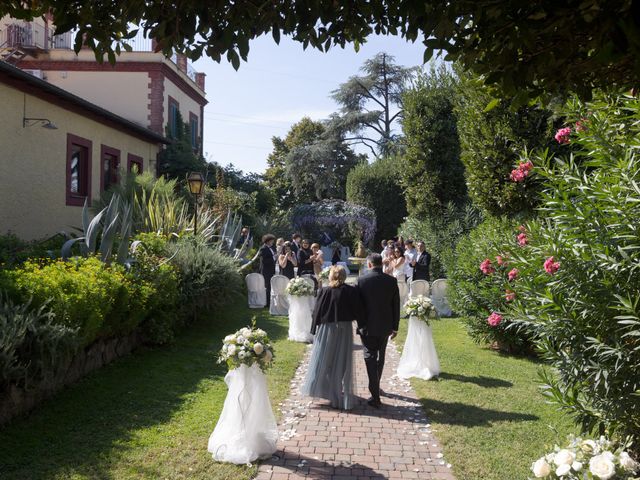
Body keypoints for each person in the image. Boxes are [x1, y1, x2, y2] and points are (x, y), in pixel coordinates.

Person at [302, 266, 362, 410]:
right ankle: (335, 390)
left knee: (323, 359)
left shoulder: (325, 291)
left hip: (326, 328)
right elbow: (358, 310)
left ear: (331, 276)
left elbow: (317, 311)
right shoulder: (351, 290)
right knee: (341, 361)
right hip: (344, 328)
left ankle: (322, 389)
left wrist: (313, 328)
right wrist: (360, 324)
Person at [357, 253, 400, 408]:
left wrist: (359, 324)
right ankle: (375, 387)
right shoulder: (391, 280)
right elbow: (396, 305)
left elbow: (358, 305)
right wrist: (395, 326)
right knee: (380, 356)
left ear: (369, 264)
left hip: (367, 326)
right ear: (381, 264)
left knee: (369, 357)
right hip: (385, 325)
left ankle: (374, 392)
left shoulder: (361, 280)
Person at [259, 234, 277, 307]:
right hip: (266, 270)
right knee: (266, 287)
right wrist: (274, 257)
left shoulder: (271, 248)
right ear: (268, 241)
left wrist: (275, 257)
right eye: (271, 240)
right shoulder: (263, 248)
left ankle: (269, 302)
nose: (273, 242)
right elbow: (264, 261)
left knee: (270, 286)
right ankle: (266, 303)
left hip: (271, 270)